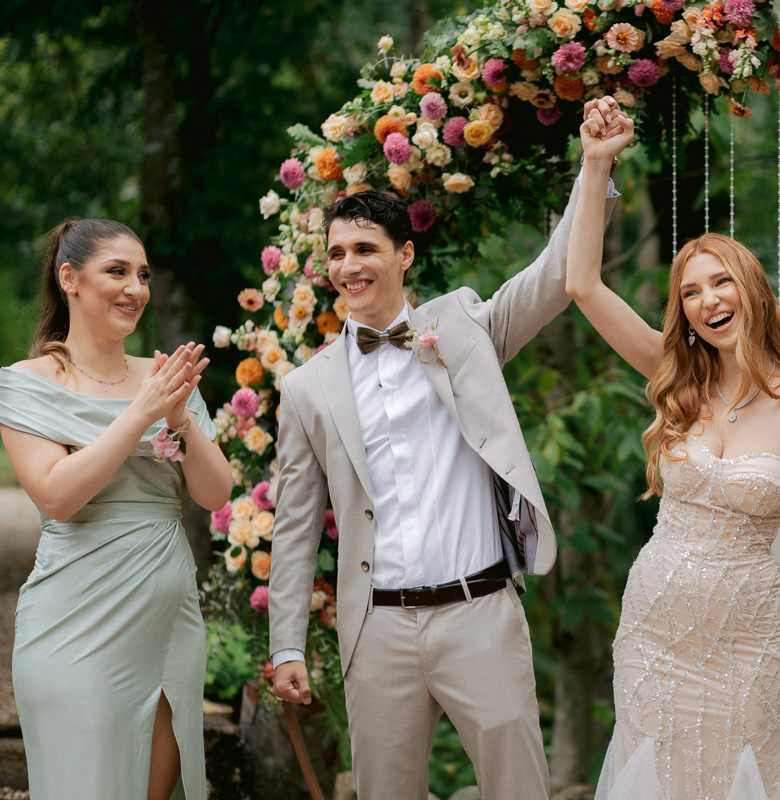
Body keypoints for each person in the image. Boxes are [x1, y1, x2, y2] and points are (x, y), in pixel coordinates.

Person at [267, 101, 622, 799]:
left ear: (404, 255)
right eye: (336, 253)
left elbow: (554, 277)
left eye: (364, 249)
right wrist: (287, 644)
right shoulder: (307, 389)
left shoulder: (460, 327)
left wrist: (596, 166)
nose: (348, 266)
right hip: (378, 630)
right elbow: (295, 526)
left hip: (479, 613)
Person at [567, 110, 780, 799]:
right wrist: (597, 163)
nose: (705, 301)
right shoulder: (674, 379)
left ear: (750, 289)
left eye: (719, 283)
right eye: (689, 293)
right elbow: (583, 286)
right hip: (656, 634)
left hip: (751, 645)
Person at [0, 218, 232, 799]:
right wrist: (139, 413)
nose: (136, 287)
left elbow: (215, 493)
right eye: (118, 271)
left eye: (143, 274)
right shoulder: (25, 384)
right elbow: (56, 495)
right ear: (70, 279)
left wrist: (179, 417)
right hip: (71, 617)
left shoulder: (166, 377)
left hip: (166, 617)